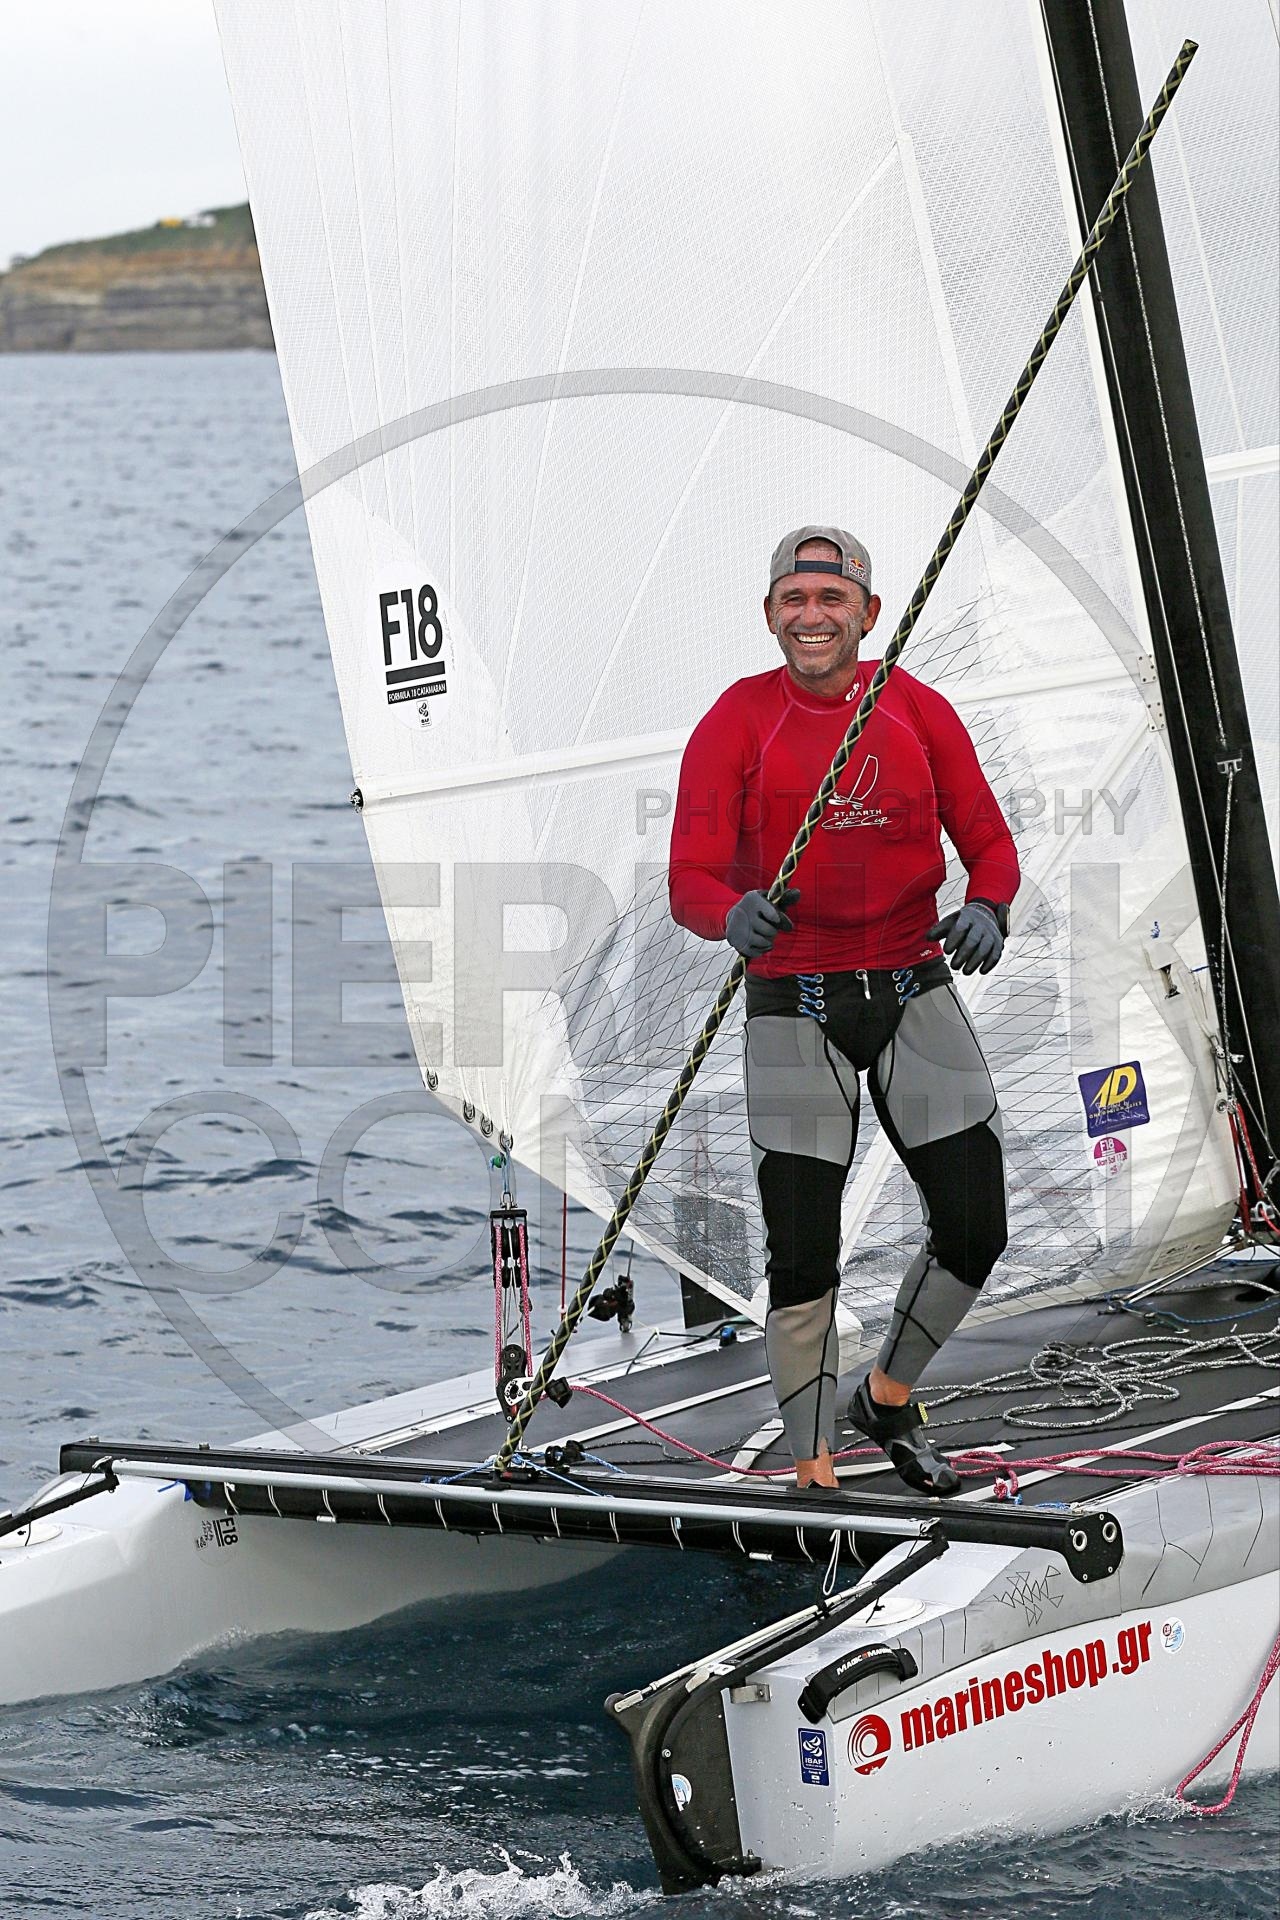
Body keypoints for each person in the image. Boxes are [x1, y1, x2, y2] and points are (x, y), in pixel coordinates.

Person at [669, 527, 1020, 1497]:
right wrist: (726, 912)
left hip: (912, 988)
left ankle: (887, 1398)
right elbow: (688, 880)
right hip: (796, 1005)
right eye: (793, 600)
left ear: (868, 614)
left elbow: (990, 845)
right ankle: (813, 1473)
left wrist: (989, 908)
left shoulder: (914, 709)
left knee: (974, 1228)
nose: (811, 617)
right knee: (802, 1256)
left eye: (831, 600)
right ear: (769, 614)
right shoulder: (736, 721)